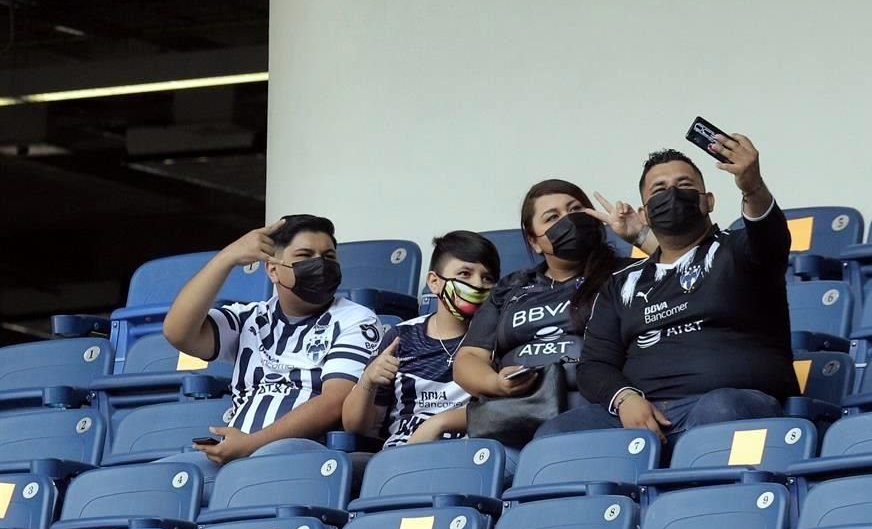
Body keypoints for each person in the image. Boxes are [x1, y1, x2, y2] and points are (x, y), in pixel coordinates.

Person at [535, 135, 797, 447]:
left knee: (720, 411)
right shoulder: (622, 284)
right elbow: (595, 366)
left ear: (708, 200)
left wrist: (751, 186)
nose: (671, 194)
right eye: (658, 190)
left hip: (733, 410)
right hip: (641, 416)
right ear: (644, 213)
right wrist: (625, 399)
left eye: (684, 184)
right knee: (554, 437)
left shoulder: (739, 251)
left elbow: (770, 236)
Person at [162, 214, 382, 500]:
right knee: (149, 483)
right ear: (273, 270)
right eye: (305, 255)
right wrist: (226, 258)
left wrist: (252, 444)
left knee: (265, 464)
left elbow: (335, 401)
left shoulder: (355, 319)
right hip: (236, 455)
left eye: (329, 256)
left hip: (305, 453)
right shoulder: (250, 318)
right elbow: (177, 332)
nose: (320, 265)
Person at [443, 179, 658, 440]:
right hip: (516, 415)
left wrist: (640, 236)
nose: (568, 221)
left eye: (576, 209)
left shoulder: (627, 274)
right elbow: (468, 360)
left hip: (601, 412)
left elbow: (690, 272)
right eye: (552, 217)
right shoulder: (510, 288)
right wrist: (496, 383)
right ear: (534, 241)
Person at [341, 231, 500, 446]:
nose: (478, 284)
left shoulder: (499, 338)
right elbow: (356, 426)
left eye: (487, 278)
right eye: (465, 274)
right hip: (400, 455)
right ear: (434, 282)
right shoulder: (401, 337)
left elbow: (507, 410)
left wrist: (439, 423)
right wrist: (368, 381)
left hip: (467, 454)